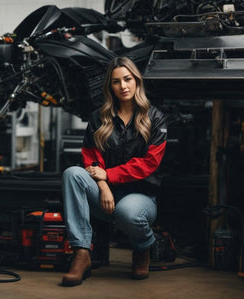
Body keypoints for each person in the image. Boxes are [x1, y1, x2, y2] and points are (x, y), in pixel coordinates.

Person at [61, 56, 167, 286]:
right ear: (110, 86)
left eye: (127, 79)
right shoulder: (99, 117)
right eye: (116, 81)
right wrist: (102, 184)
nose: (123, 86)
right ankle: (81, 252)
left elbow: (150, 163)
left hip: (140, 196)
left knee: (128, 213)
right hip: (104, 195)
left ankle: (143, 247)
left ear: (137, 81)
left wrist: (109, 175)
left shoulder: (155, 118)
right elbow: (91, 158)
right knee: (72, 174)